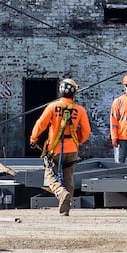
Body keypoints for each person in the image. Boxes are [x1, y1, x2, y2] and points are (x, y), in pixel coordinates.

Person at [30, 77, 91, 215]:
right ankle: (65, 210)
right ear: (74, 93)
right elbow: (86, 130)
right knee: (68, 178)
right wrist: (78, 142)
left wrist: (33, 138)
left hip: (55, 149)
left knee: (50, 175)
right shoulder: (79, 110)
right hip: (72, 149)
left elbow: (41, 124)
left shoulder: (52, 107)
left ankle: (61, 193)